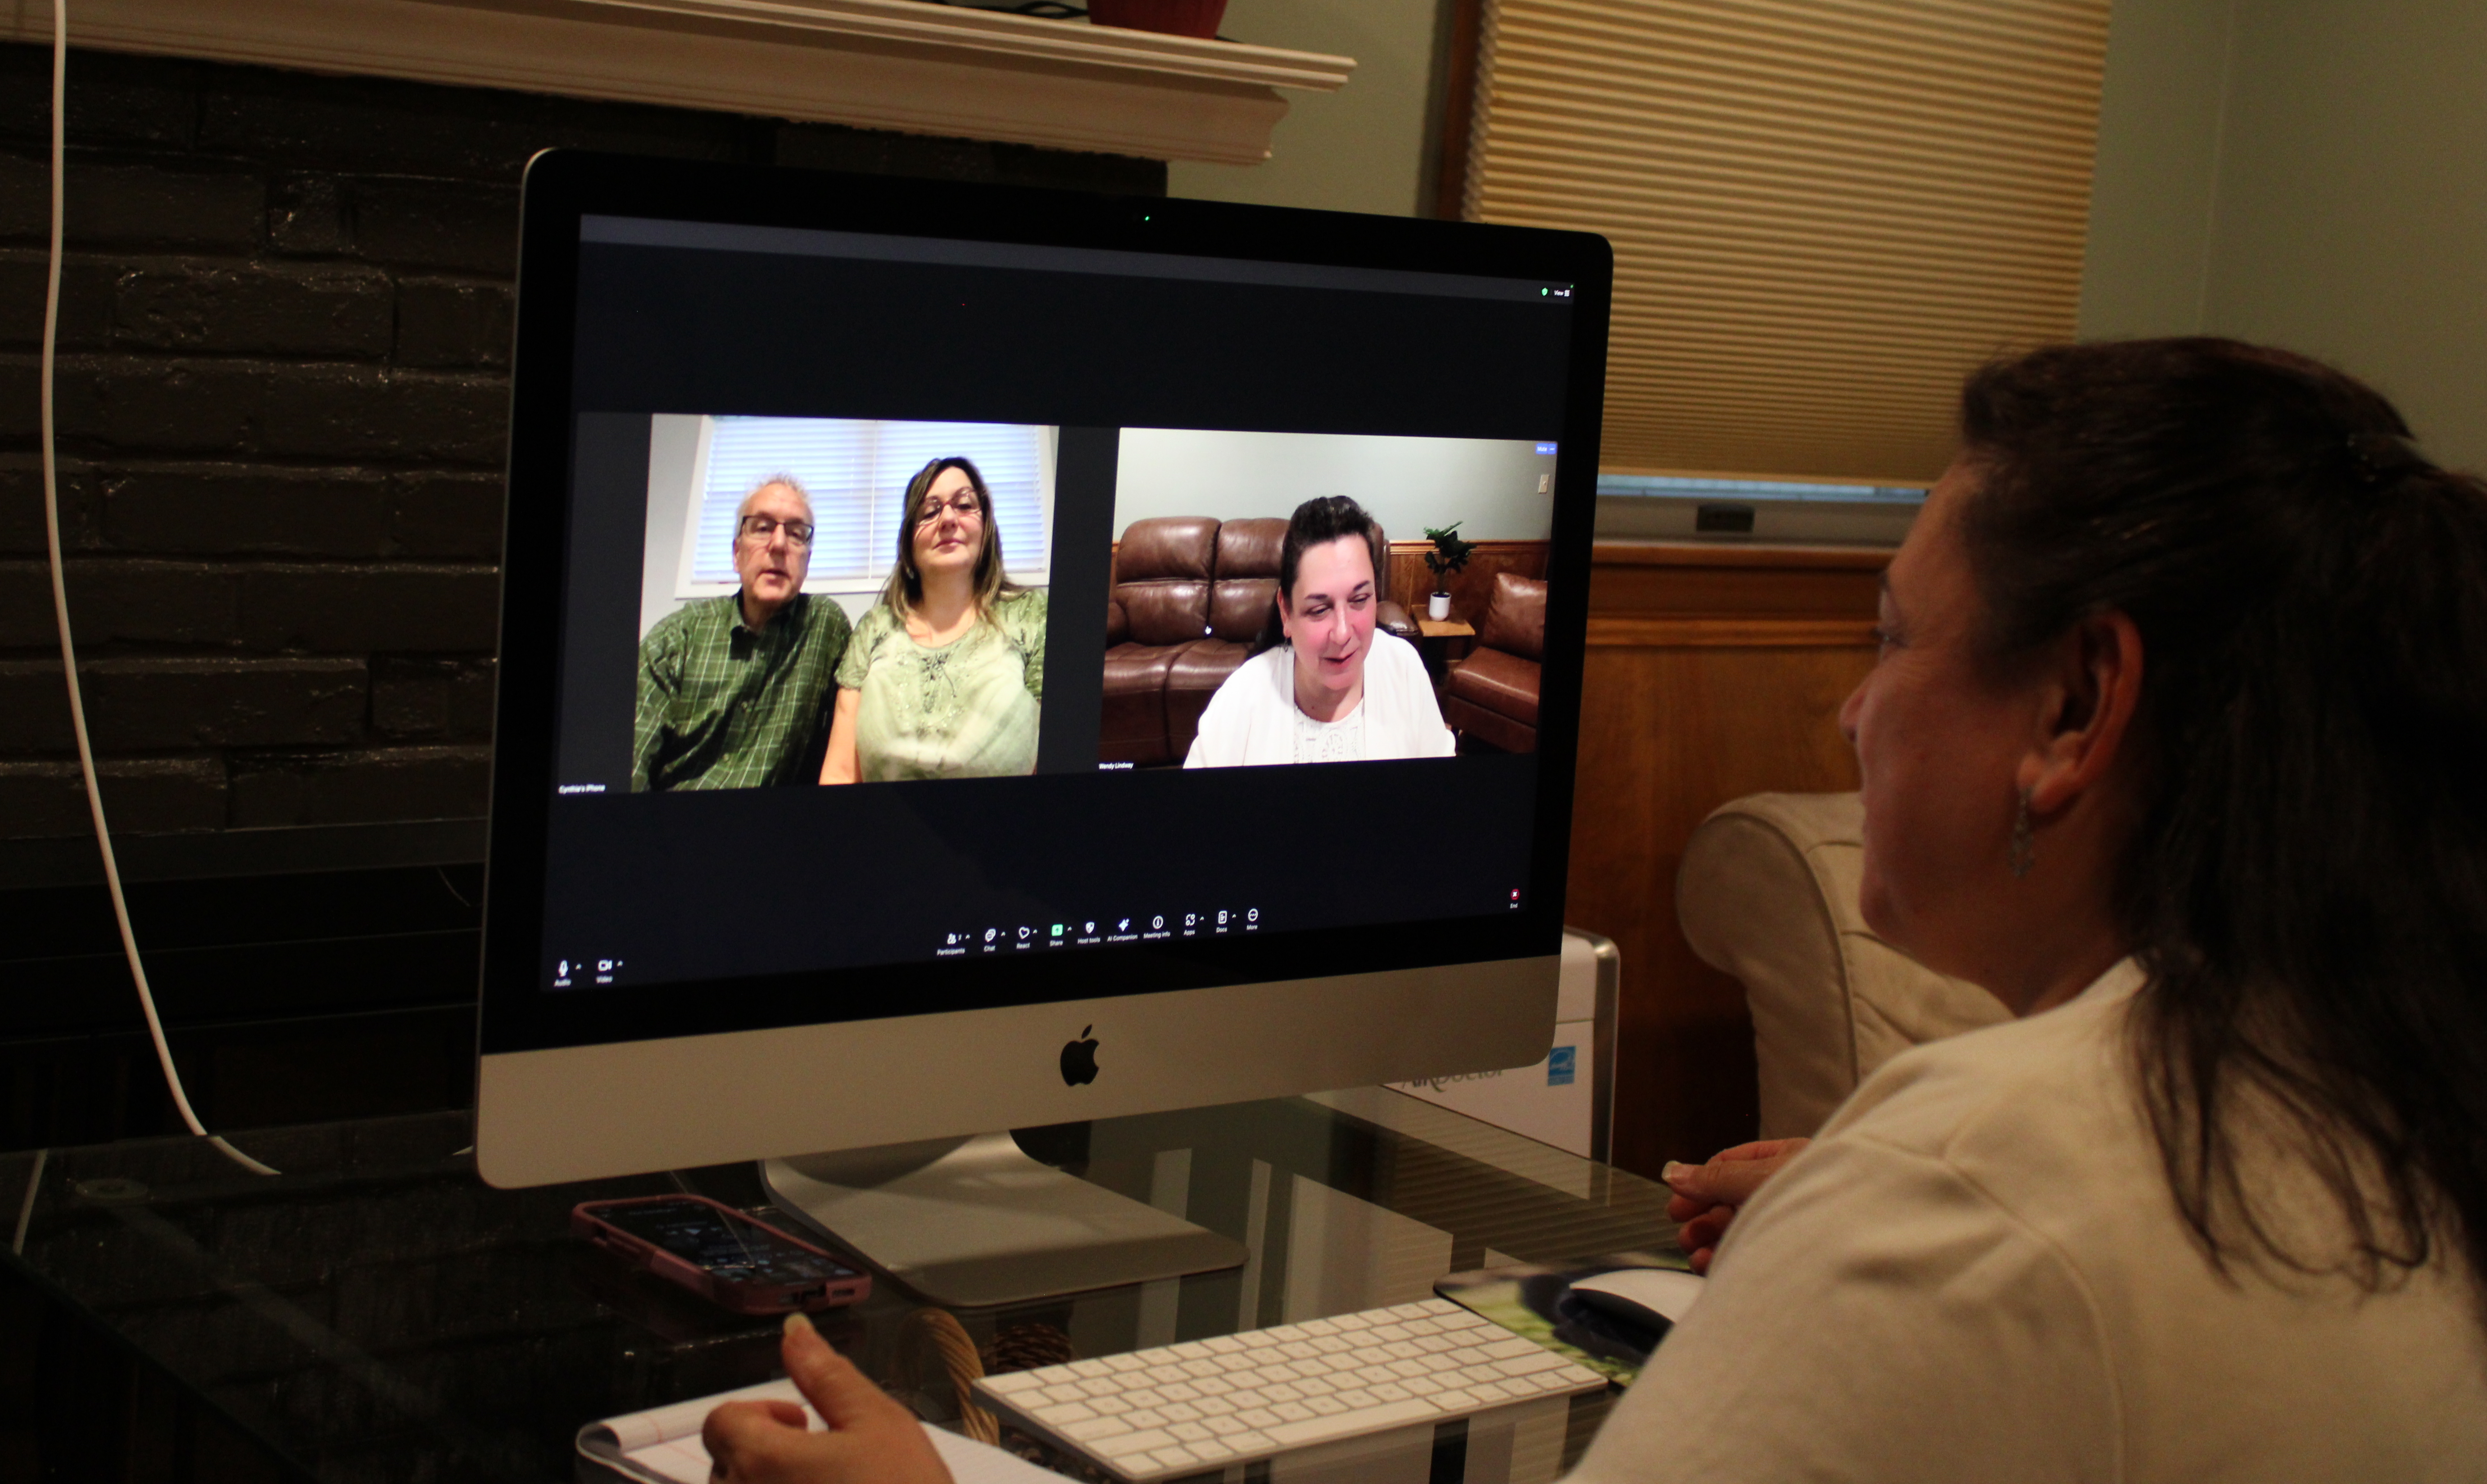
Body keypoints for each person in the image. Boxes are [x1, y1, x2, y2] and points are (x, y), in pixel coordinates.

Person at [702, 340, 2487, 1484]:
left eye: (1890, 637)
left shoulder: (1988, 1190)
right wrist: (1876, 1214)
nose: (1850, 713)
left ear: (2080, 710)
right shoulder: (2384, 1086)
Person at [820, 457, 1046, 783]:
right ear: (909, 545)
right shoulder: (874, 629)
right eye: (929, 512)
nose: (948, 519)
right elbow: (840, 772)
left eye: (965, 505)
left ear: (987, 530)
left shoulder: (1031, 615)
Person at [1185, 495, 1455, 767]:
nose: (1342, 633)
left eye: (1359, 600)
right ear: (1286, 612)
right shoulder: (1241, 699)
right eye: (1319, 610)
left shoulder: (1404, 671)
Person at [633, 475, 852, 792]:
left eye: (796, 534)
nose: (778, 545)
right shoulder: (677, 636)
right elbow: (632, 758)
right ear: (737, 553)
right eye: (762, 528)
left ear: (807, 561)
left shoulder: (825, 628)